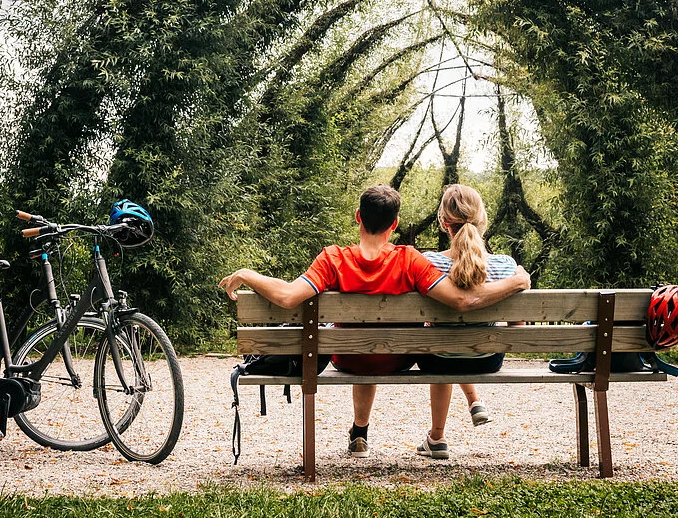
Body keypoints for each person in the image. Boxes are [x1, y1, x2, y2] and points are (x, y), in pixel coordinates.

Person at [219, 184, 530, 458]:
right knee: (384, 342)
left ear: (358, 217)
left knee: (360, 343)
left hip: (349, 358)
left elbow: (287, 297)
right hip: (398, 359)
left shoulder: (333, 258)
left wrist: (247, 274)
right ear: (394, 224)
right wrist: (516, 282)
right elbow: (463, 300)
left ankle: (359, 432)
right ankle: (390, 428)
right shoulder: (410, 259)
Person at [415, 184, 519, 460]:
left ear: (443, 223)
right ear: (481, 220)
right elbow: (518, 328)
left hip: (437, 358)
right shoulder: (507, 266)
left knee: (443, 346)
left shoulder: (428, 263)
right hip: (487, 358)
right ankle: (473, 402)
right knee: (460, 344)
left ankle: (437, 437)